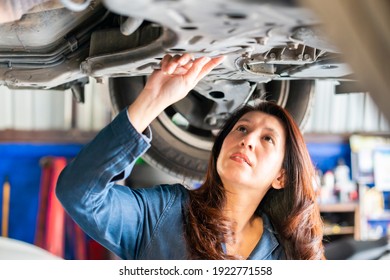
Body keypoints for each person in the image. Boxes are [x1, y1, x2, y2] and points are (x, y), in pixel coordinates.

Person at [56, 53, 325, 260]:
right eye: (241, 128)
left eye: (267, 138)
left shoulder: (287, 255)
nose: (247, 139)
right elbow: (79, 193)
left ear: (281, 176)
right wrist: (152, 99)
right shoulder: (164, 213)